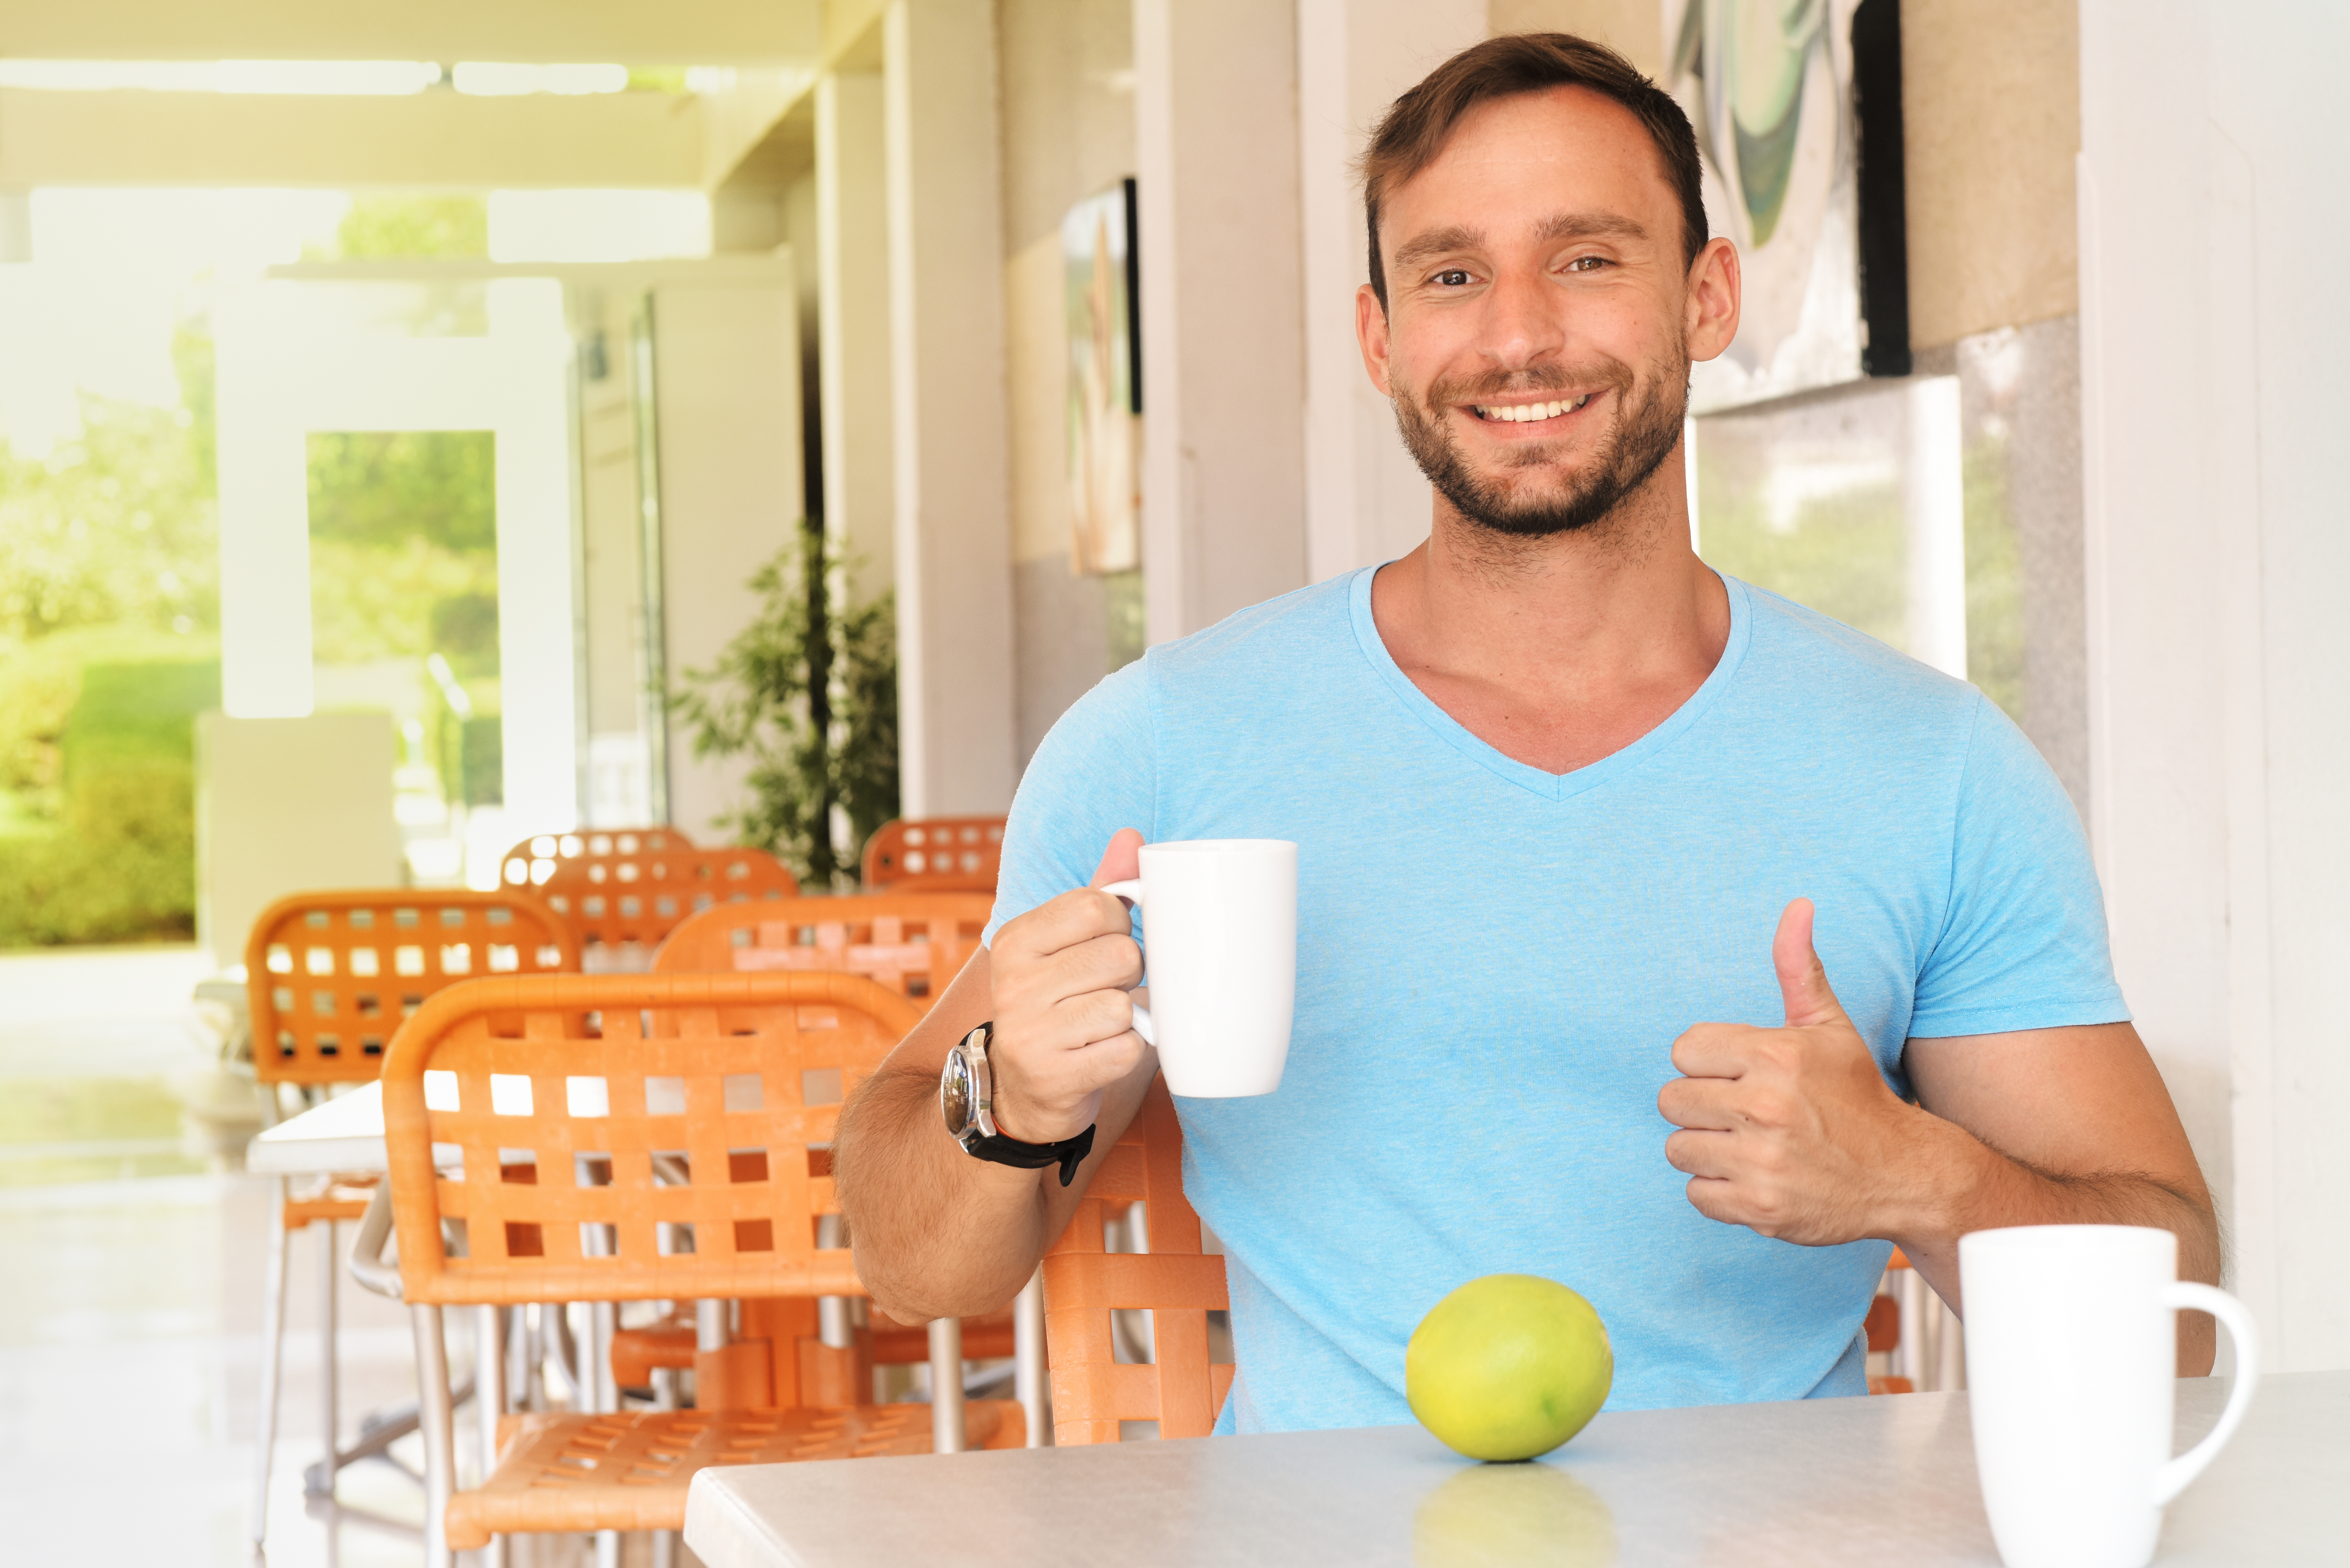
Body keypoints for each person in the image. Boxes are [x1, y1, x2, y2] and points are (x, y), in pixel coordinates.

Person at [834, 32, 2217, 1432]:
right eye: (1450, 274)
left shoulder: (1933, 766)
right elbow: (915, 1266)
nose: (1515, 335)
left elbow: (2170, 1313)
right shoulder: (1156, 748)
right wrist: (1006, 1092)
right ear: (1380, 338)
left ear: (1707, 295)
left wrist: (1921, 1178)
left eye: (1586, 258)